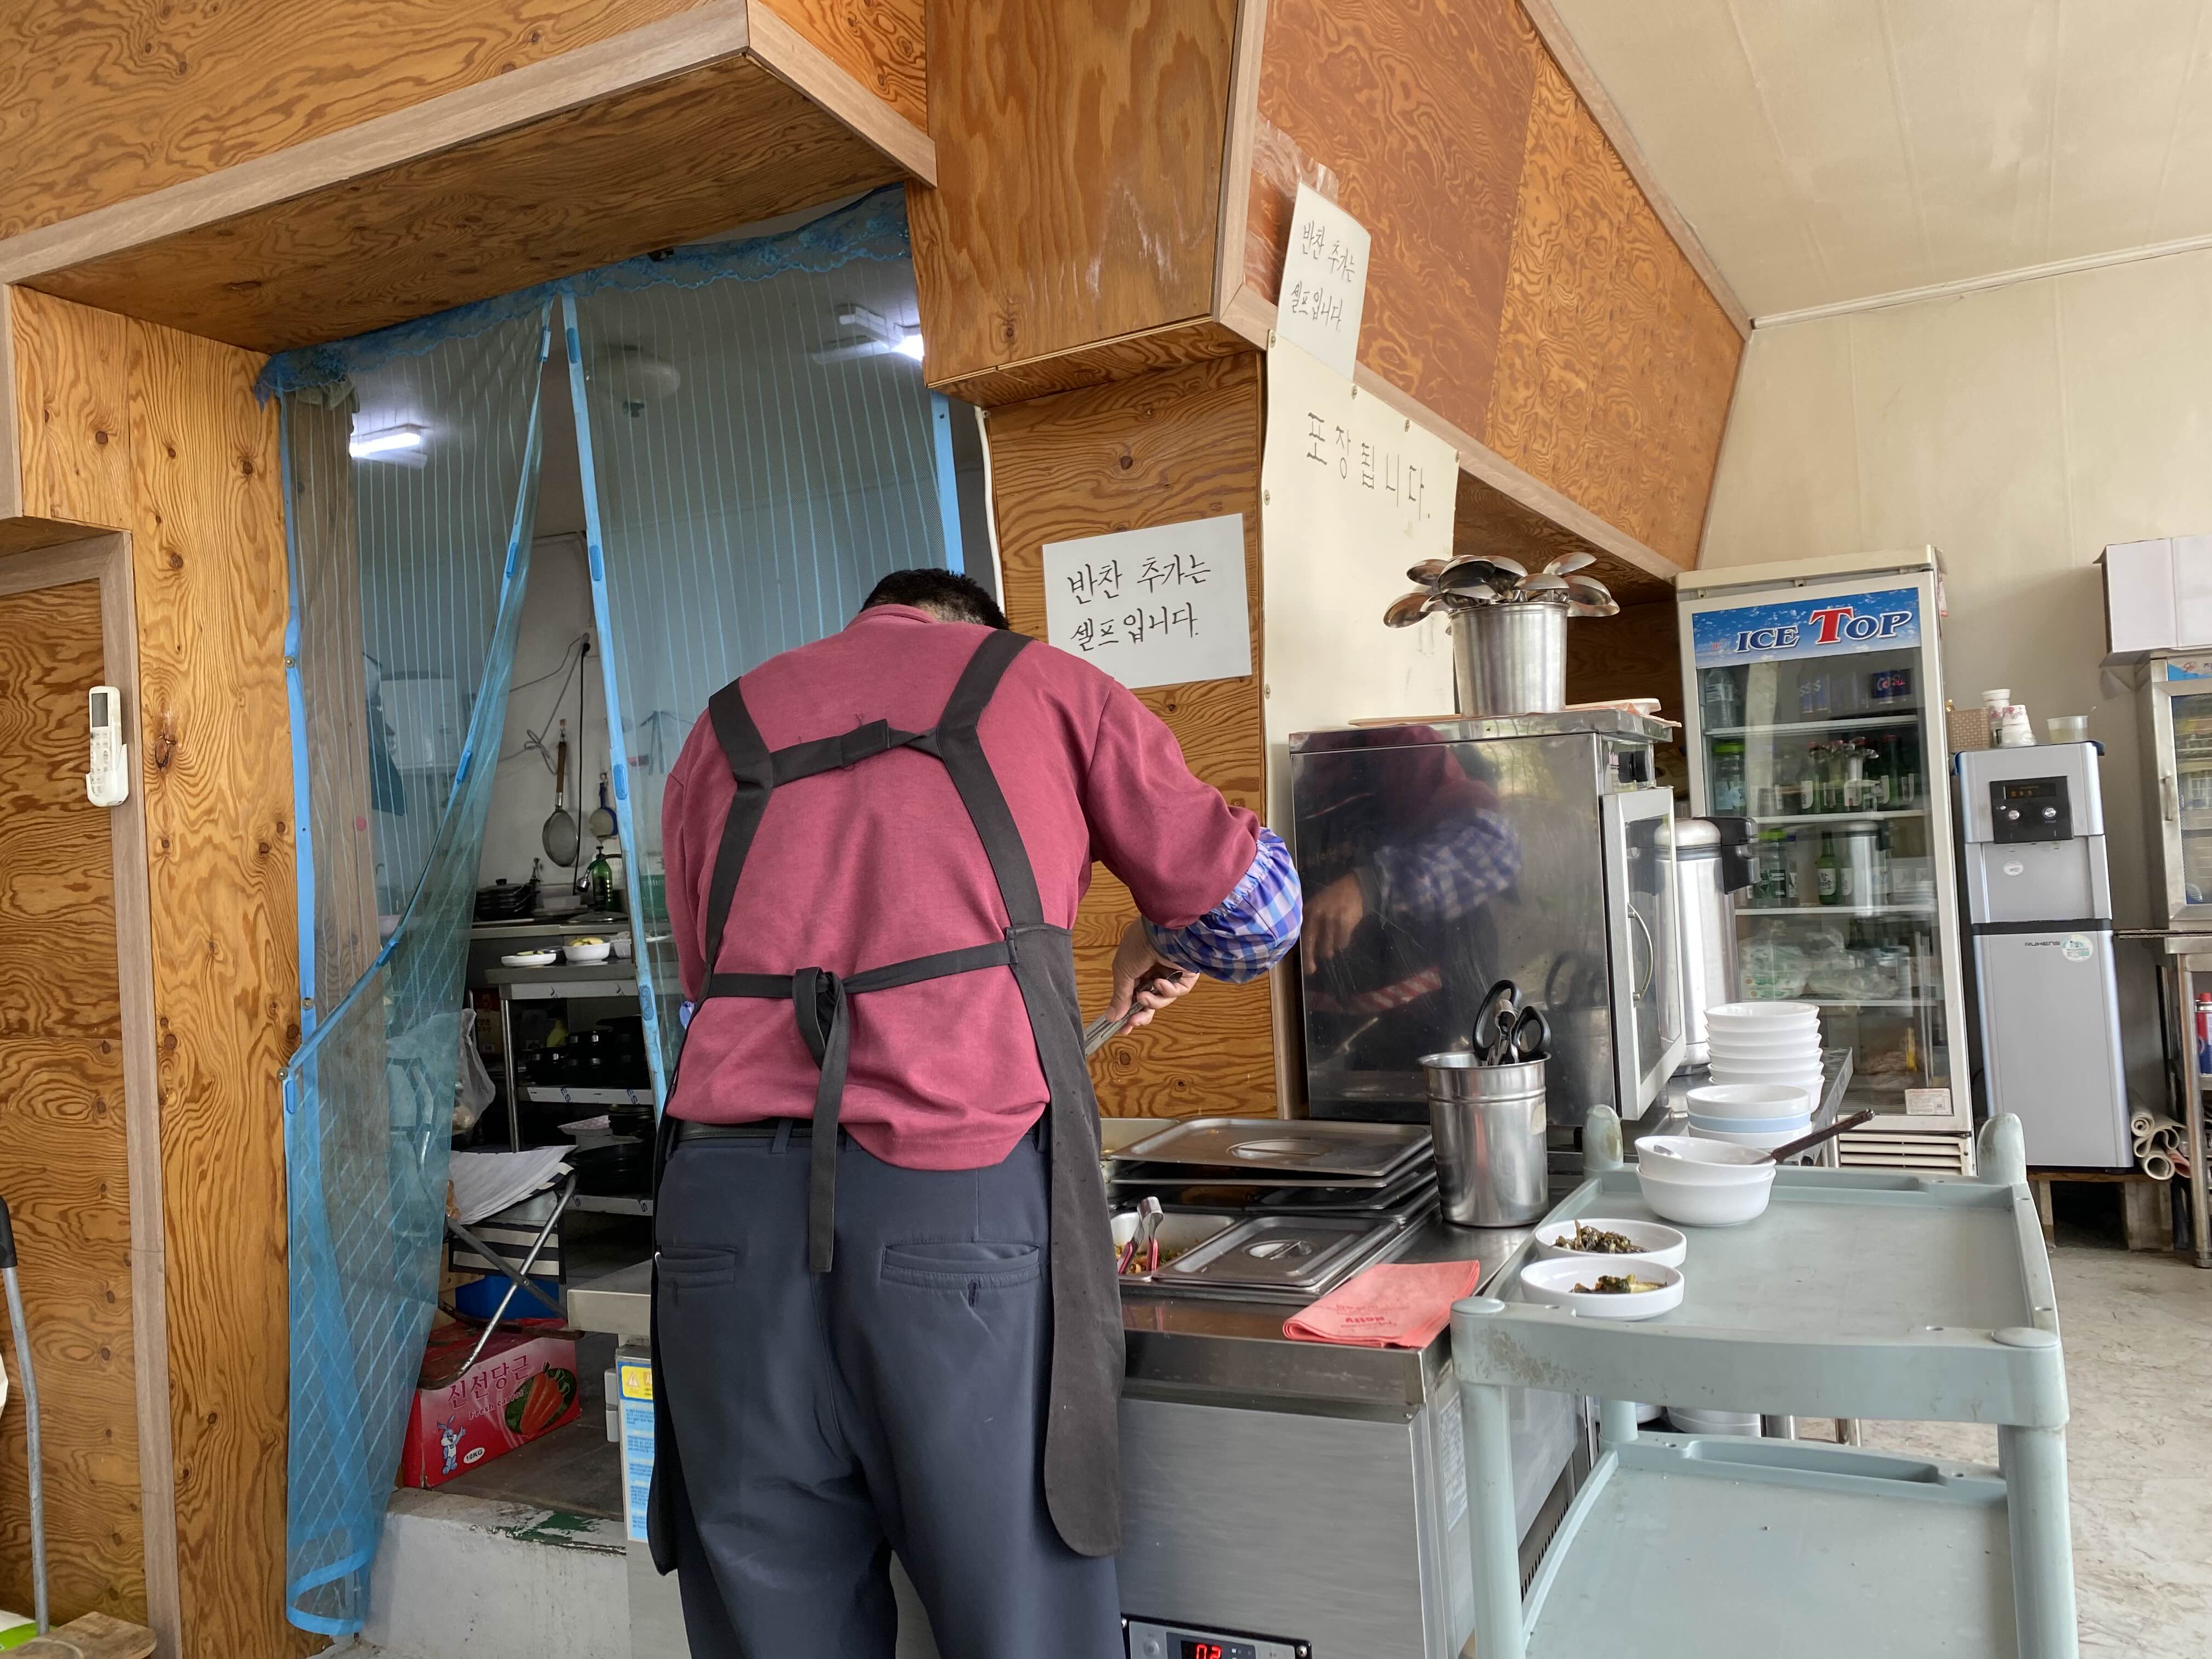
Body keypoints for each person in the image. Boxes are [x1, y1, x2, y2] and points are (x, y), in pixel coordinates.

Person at [648, 567, 1300, 1657]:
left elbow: (705, 981)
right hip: (955, 1223)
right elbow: (1256, 917)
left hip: (721, 1230)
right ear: (978, 631)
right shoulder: (1047, 686)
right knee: (1020, 1629)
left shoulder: (721, 731)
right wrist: (1159, 934)